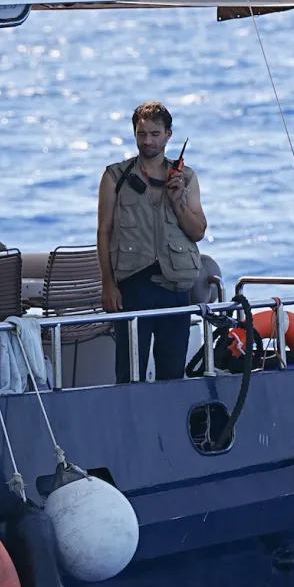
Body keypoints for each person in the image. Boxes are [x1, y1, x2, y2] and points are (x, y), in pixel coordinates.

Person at [96, 102, 207, 384]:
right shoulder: (115, 177)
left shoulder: (187, 177)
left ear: (168, 135)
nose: (148, 141)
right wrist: (108, 284)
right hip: (133, 287)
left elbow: (198, 232)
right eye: (142, 134)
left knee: (172, 376)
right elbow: (104, 231)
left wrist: (177, 201)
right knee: (129, 376)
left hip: (175, 287)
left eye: (155, 134)